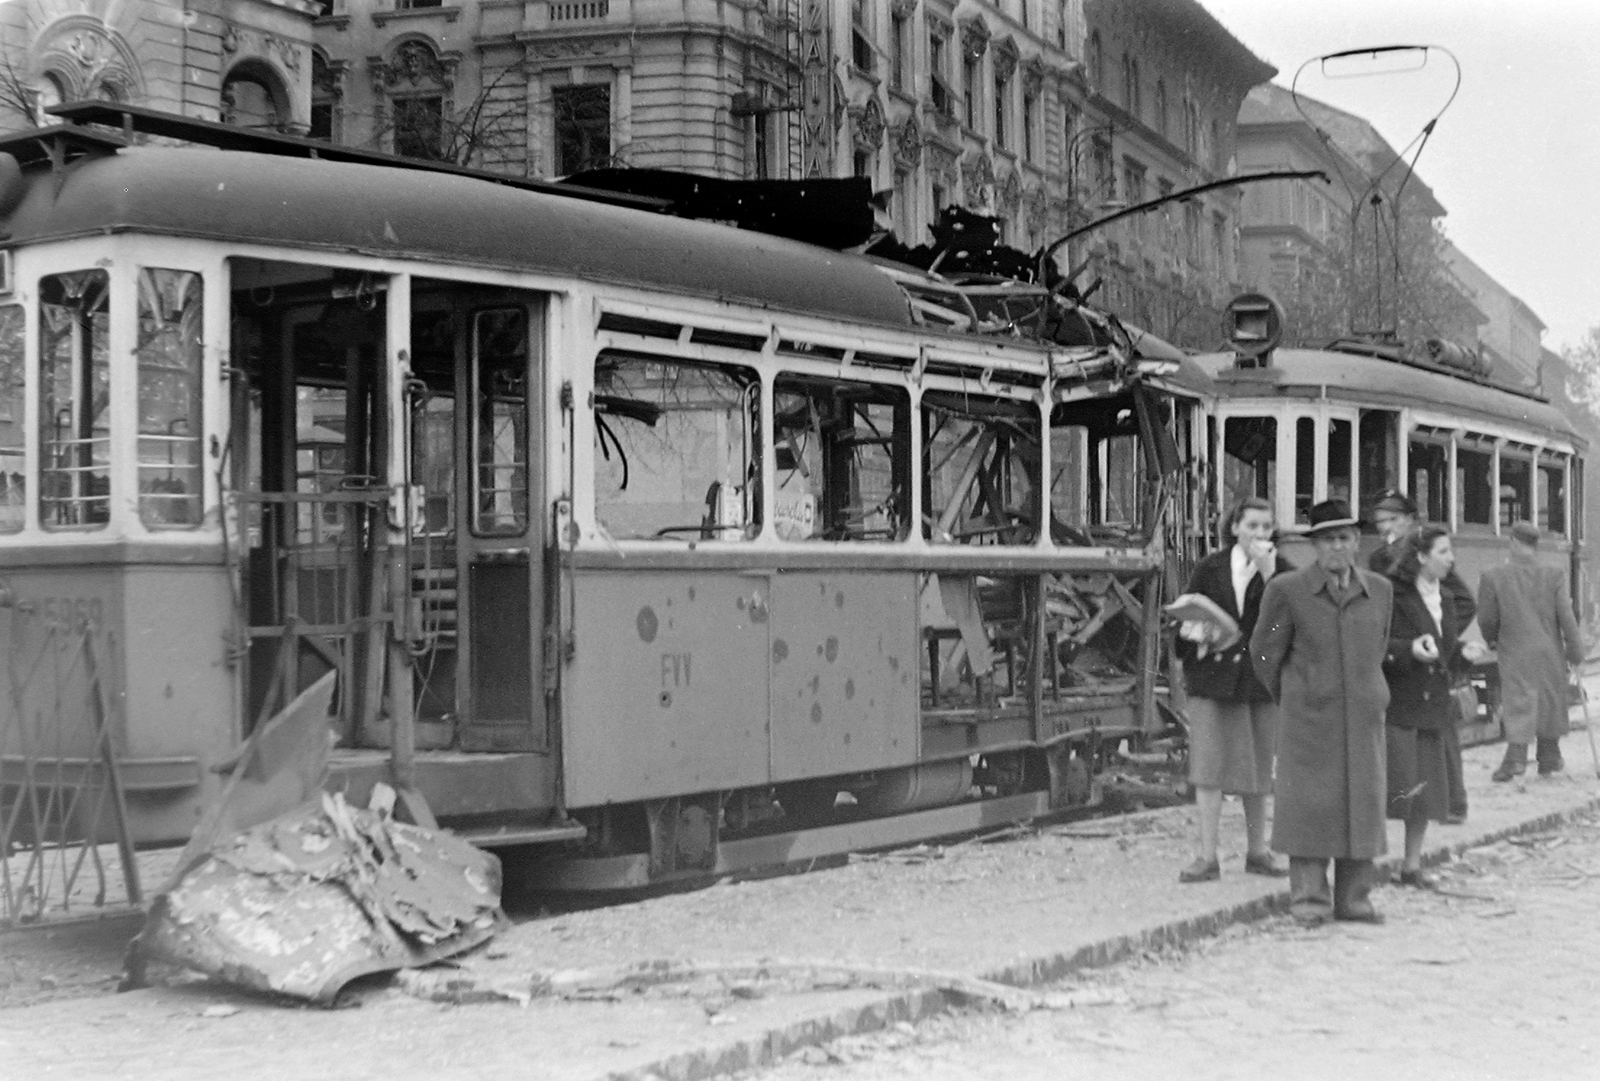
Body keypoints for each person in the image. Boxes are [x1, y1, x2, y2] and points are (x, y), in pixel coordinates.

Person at [1251, 499, 1392, 925]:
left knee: (1362, 807)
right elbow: (1263, 653)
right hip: (1308, 722)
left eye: (1345, 538)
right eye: (1328, 539)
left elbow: (1379, 648)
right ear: (1315, 545)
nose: (1337, 547)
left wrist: (1367, 692)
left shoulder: (1379, 592)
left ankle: (1355, 900)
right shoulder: (1285, 591)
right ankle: (1309, 901)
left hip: (1363, 720)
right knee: (1309, 809)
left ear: (1356, 543)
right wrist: (1298, 695)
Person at [1171, 496, 1294, 883]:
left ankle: (1258, 851)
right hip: (1212, 680)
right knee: (1208, 770)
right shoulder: (1210, 568)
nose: (1260, 534)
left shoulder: (1284, 573)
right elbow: (1185, 625)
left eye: (1266, 526)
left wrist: (1272, 578)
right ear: (1235, 527)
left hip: (1259, 683)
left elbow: (1286, 628)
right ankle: (1208, 857)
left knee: (1257, 770)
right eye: (1252, 526)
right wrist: (1203, 636)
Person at [1369, 489, 1475, 823]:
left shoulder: (1429, 553)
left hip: (1431, 661)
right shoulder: (1378, 560)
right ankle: (1412, 807)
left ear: (1411, 521)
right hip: (1403, 660)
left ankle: (1454, 803)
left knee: (1442, 733)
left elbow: (1462, 601)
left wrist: (1443, 640)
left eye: (1393, 520)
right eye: (1381, 522)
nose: (1387, 528)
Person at [1381, 526, 1470, 889]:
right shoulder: (1391, 595)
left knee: (1423, 794)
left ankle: (1411, 865)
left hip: (1433, 709)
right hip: (1399, 706)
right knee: (1393, 789)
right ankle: (1361, 864)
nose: (1451, 559)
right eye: (1444, 551)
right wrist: (1407, 651)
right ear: (1421, 557)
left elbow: (1445, 654)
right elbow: (1376, 642)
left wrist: (1463, 654)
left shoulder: (1446, 598)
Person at [1477, 521, 1585, 780]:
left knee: (1519, 700)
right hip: (1549, 649)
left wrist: (1492, 640)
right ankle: (1549, 757)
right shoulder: (1554, 573)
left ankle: (1515, 759)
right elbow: (1567, 618)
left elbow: (1487, 619)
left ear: (1513, 541)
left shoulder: (1493, 576)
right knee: (1549, 699)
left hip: (1514, 648)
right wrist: (1575, 652)